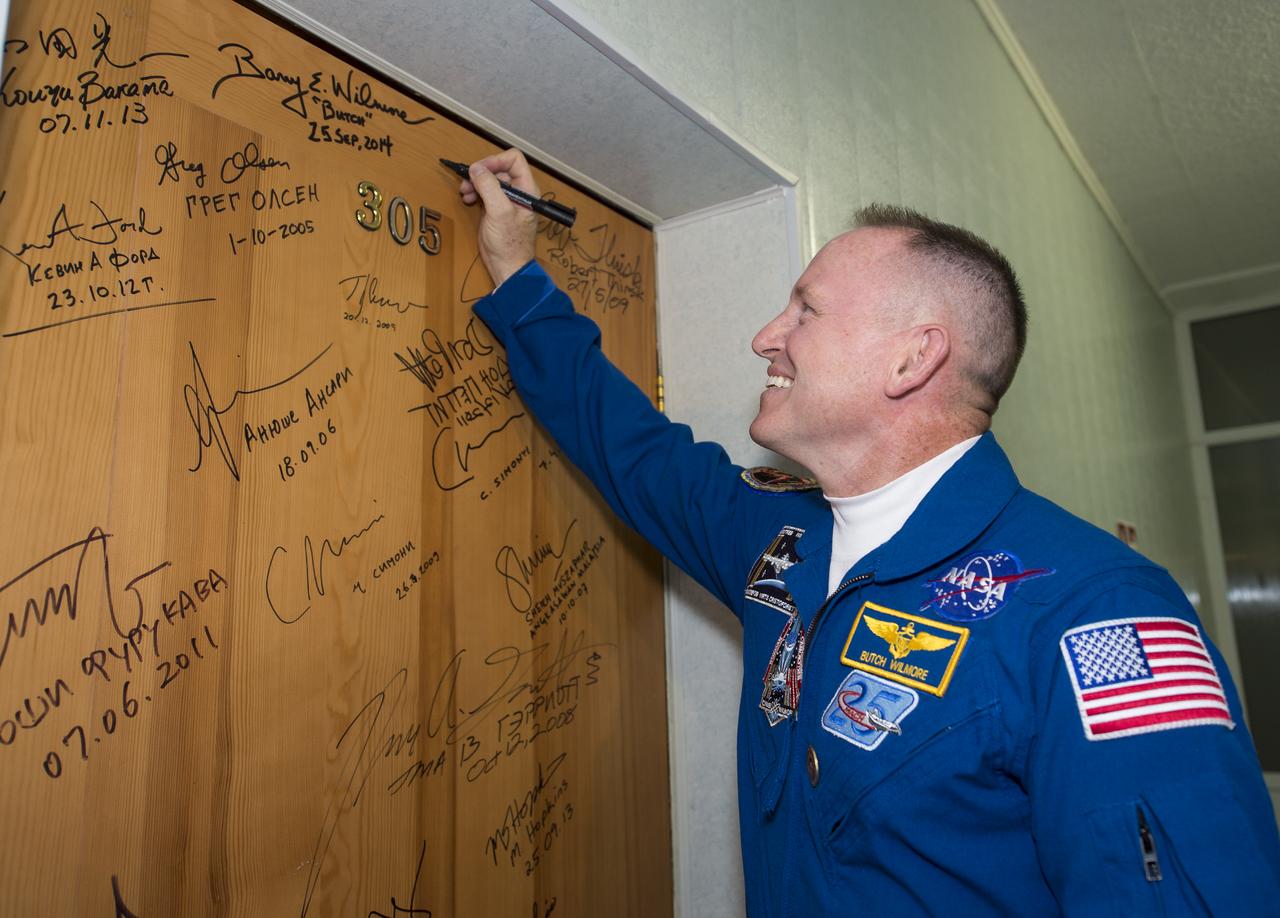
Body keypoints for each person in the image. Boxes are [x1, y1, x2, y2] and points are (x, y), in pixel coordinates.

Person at [455, 148, 1280, 916]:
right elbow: (632, 453)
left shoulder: (1095, 609)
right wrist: (515, 269)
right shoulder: (782, 539)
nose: (765, 338)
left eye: (804, 310)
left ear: (911, 360)